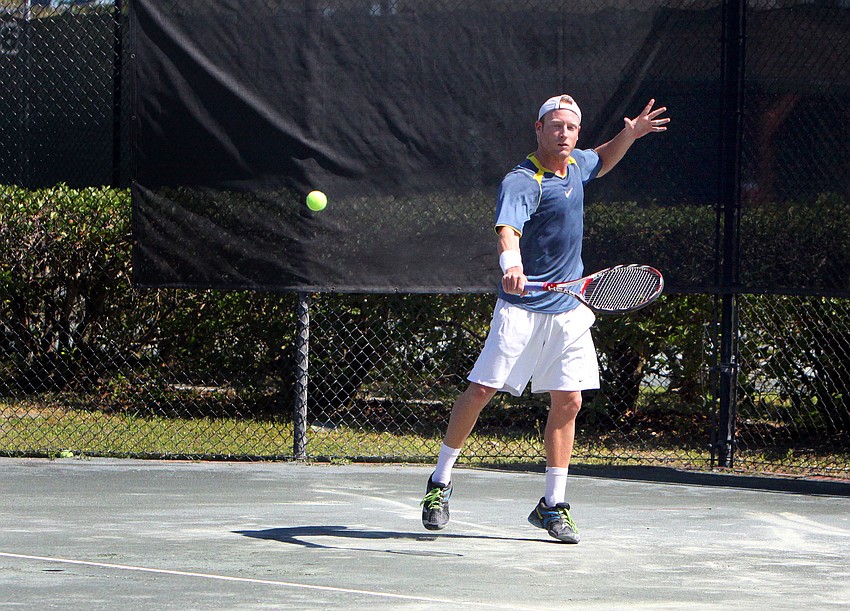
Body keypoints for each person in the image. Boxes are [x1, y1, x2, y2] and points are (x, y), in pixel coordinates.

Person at [420, 94, 669, 543]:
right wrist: (510, 267)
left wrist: (629, 135)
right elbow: (508, 231)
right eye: (555, 126)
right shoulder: (522, 181)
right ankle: (440, 482)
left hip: (570, 308)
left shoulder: (576, 165)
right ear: (538, 129)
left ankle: (552, 505)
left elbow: (603, 159)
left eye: (571, 127)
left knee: (569, 401)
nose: (564, 134)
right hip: (521, 309)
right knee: (480, 391)